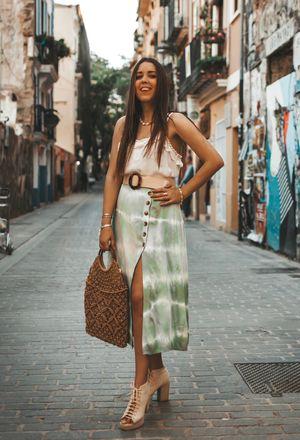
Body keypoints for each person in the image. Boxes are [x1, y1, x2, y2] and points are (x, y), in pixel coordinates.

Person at [99, 56, 224, 431]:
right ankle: (157, 372)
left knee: (143, 297)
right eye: (139, 75)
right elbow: (112, 175)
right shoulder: (123, 125)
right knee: (136, 298)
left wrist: (183, 191)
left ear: (161, 82)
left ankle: (139, 388)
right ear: (133, 83)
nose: (145, 81)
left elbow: (213, 159)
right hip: (126, 214)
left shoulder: (174, 123)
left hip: (160, 215)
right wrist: (105, 222)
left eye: (152, 75)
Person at [179, 151, 194, 219]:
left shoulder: (191, 168)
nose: (186, 160)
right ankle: (185, 214)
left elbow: (188, 177)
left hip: (188, 186)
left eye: (187, 159)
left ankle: (186, 214)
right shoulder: (188, 167)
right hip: (184, 185)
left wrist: (183, 182)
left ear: (190, 160)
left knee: (187, 200)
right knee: (185, 200)